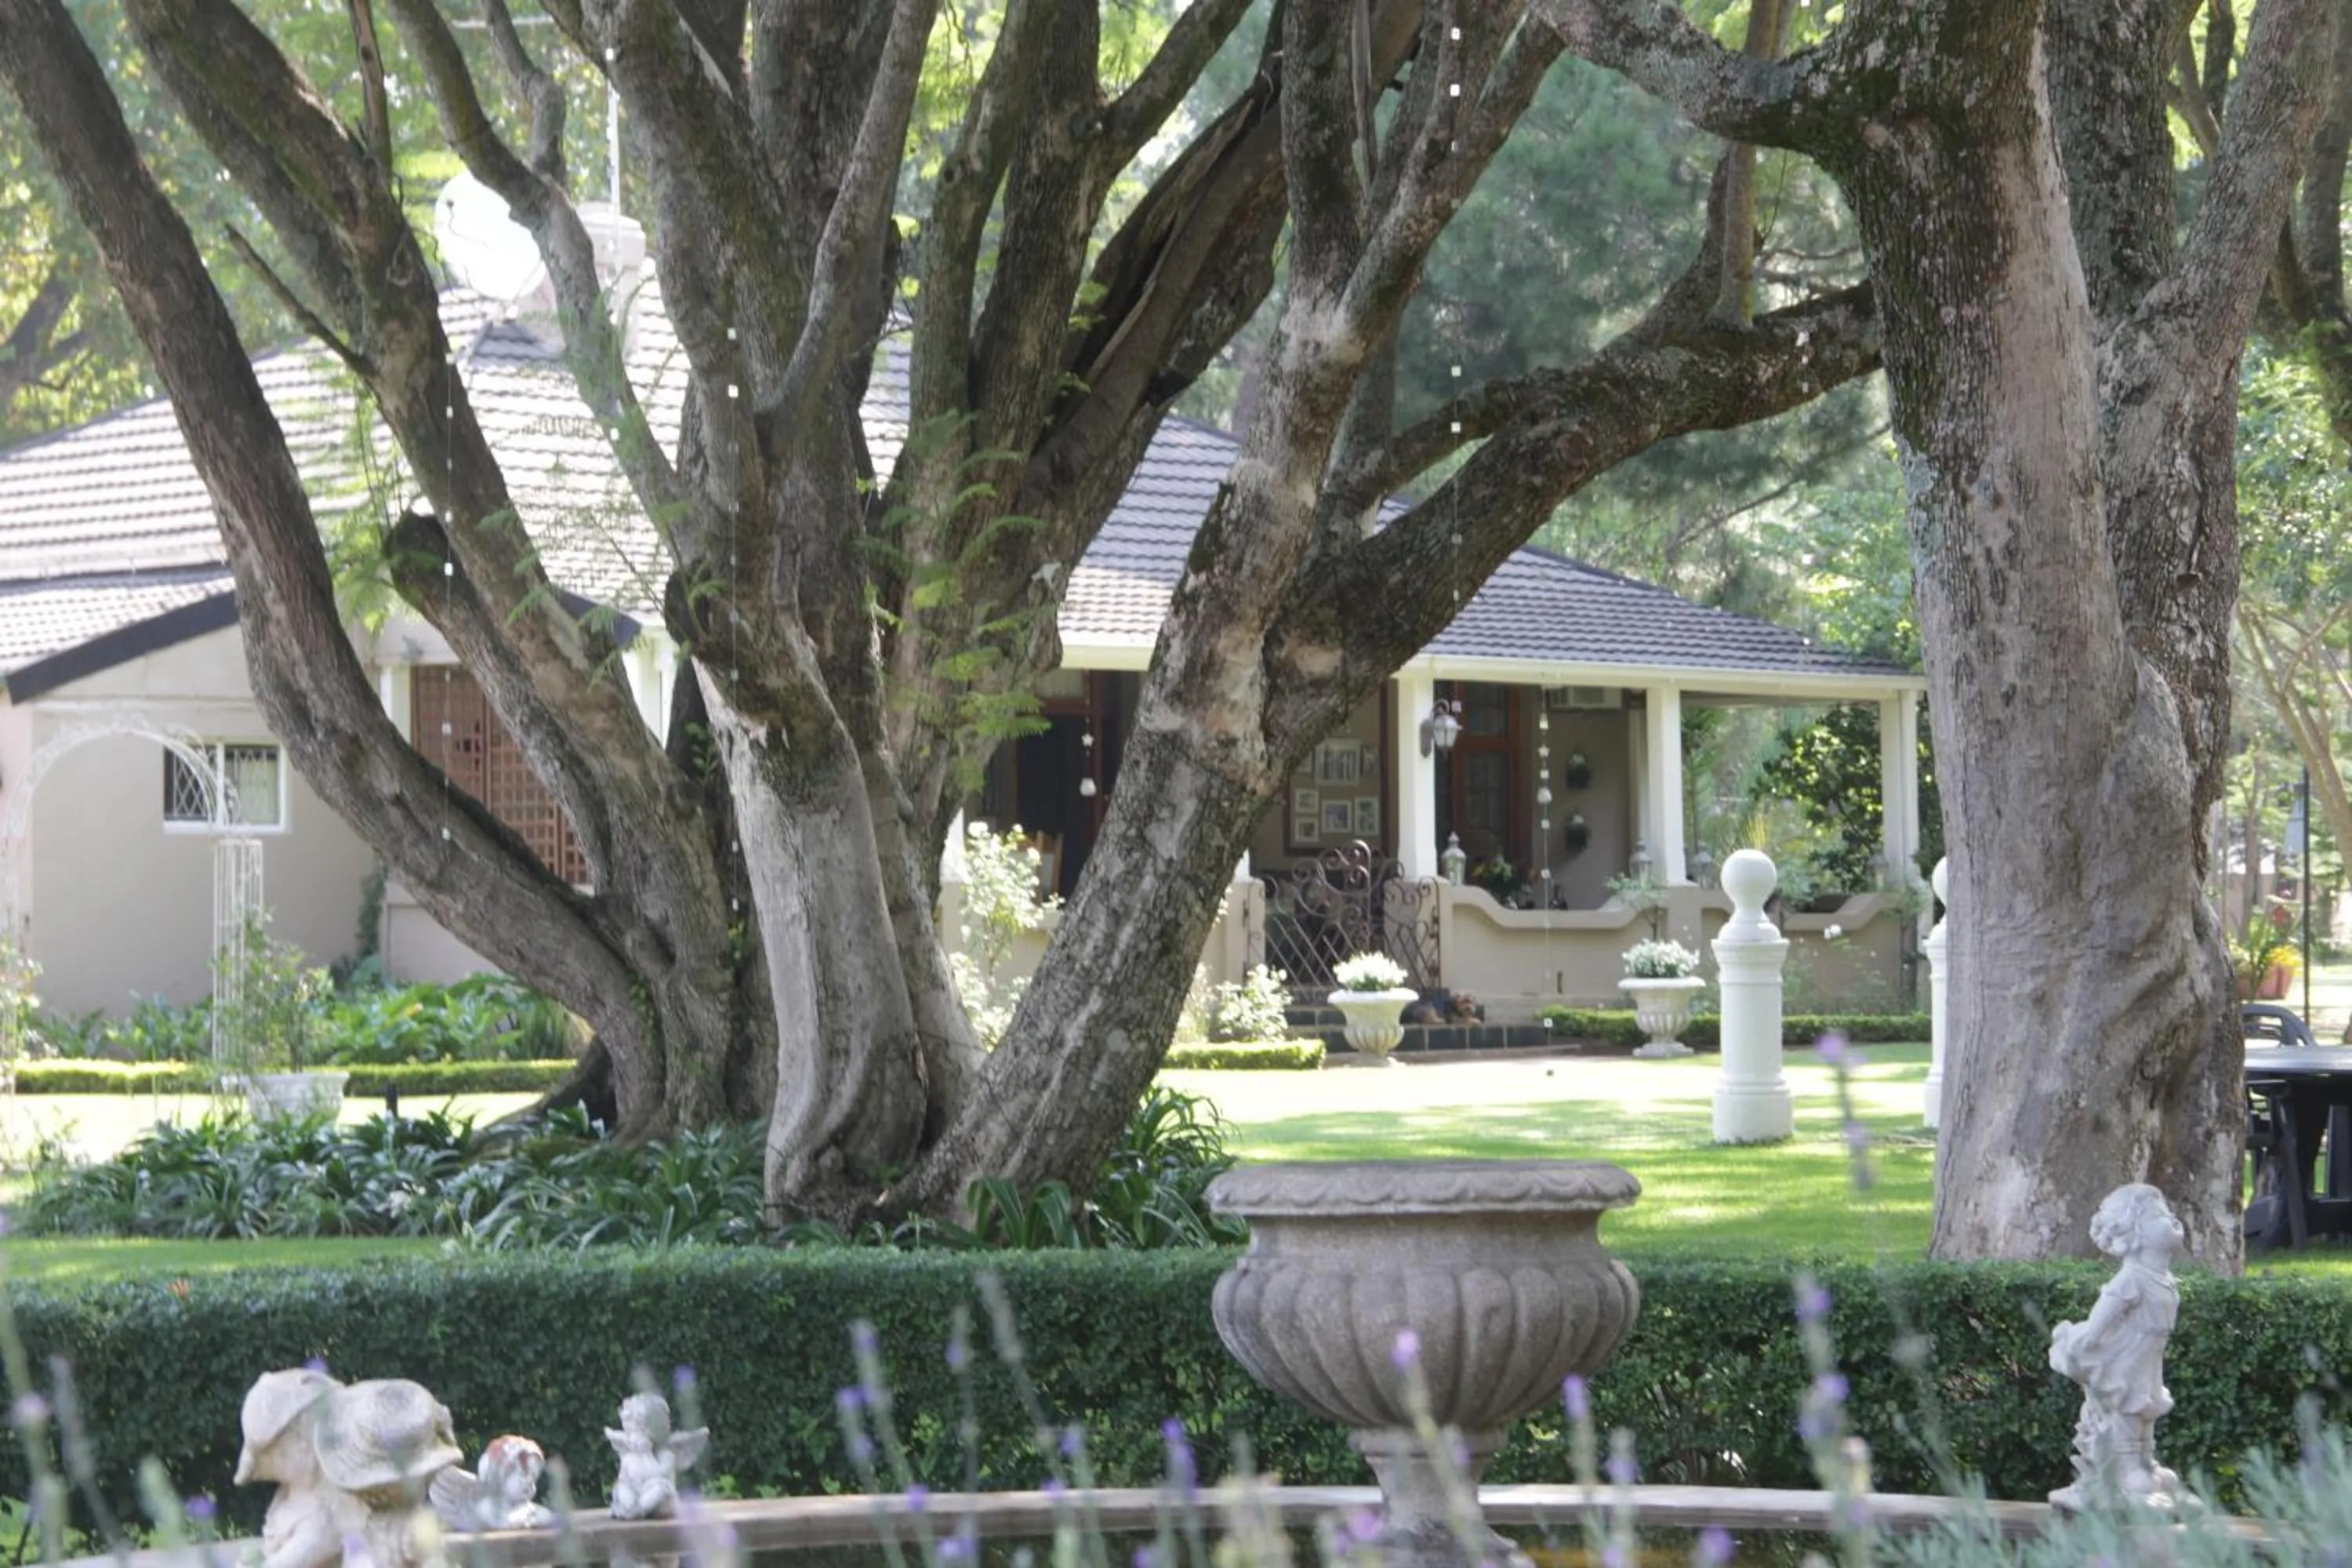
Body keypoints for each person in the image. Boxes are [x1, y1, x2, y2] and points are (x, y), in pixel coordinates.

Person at [2047, 1184, 2184, 1511]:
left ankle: (2144, 1461)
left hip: (2147, 1359)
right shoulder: (2131, 1279)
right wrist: (2084, 1342)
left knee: (2147, 1406)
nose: (2174, 1220)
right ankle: (2124, 1469)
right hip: (2124, 1357)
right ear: (2132, 1234)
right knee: (2127, 1407)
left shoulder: (2162, 1278)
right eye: (2160, 1216)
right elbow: (2099, 1322)